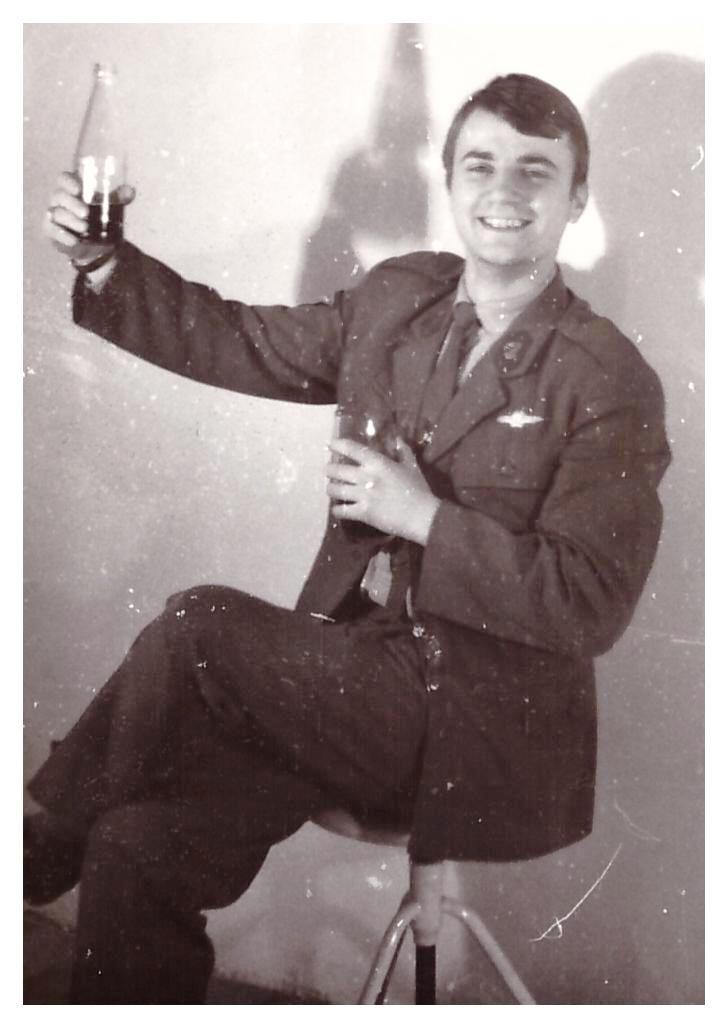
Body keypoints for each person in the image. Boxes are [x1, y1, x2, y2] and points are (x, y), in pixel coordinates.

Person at [26, 73, 671, 1003]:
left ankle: (40, 846)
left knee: (202, 623)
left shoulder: (608, 377)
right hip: (343, 680)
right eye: (481, 164)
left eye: (537, 171)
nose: (503, 191)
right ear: (449, 180)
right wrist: (104, 266)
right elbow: (242, 339)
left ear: (577, 198)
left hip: (470, 720)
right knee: (136, 846)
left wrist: (422, 517)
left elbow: (590, 602)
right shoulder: (399, 297)